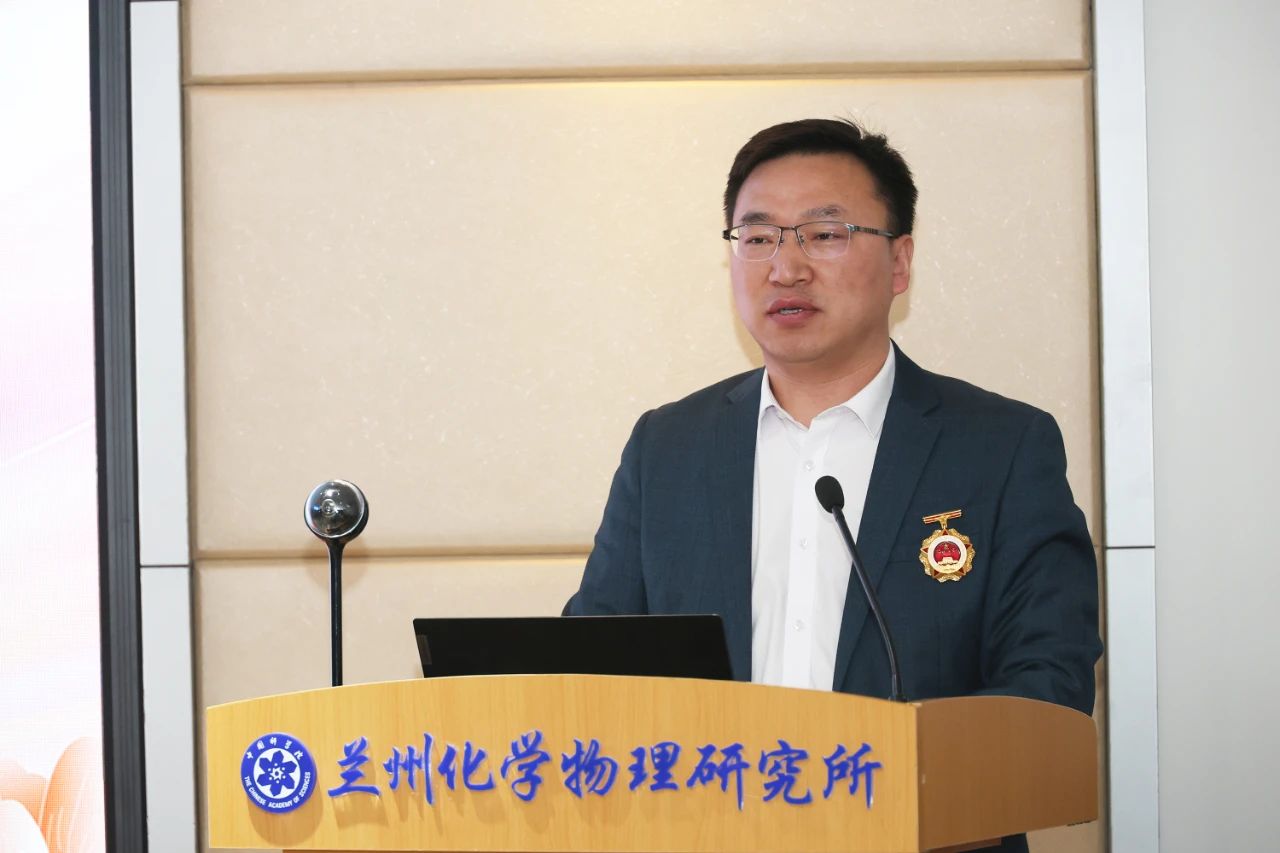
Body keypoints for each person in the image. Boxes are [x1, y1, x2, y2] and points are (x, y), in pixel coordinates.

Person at [564, 118, 1102, 851]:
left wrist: (896, 787)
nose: (785, 268)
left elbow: (1047, 682)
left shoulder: (1002, 447)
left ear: (900, 262)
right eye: (757, 237)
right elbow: (590, 669)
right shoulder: (668, 447)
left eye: (824, 234)